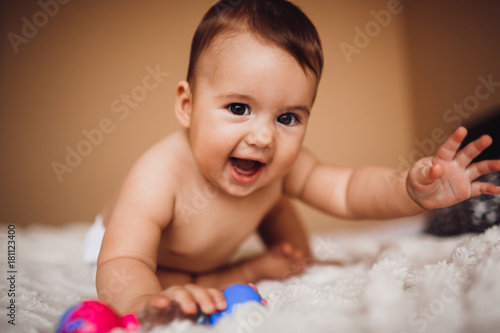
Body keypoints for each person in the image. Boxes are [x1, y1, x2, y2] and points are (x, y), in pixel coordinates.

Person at [87, 0, 500, 318]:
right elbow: (124, 260)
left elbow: (348, 191)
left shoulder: (280, 164)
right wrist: (143, 300)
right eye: (238, 108)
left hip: (203, 257)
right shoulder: (160, 173)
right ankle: (229, 274)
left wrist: (408, 188)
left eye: (287, 117)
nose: (263, 137)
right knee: (165, 279)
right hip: (132, 248)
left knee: (273, 192)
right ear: (187, 105)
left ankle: (275, 263)